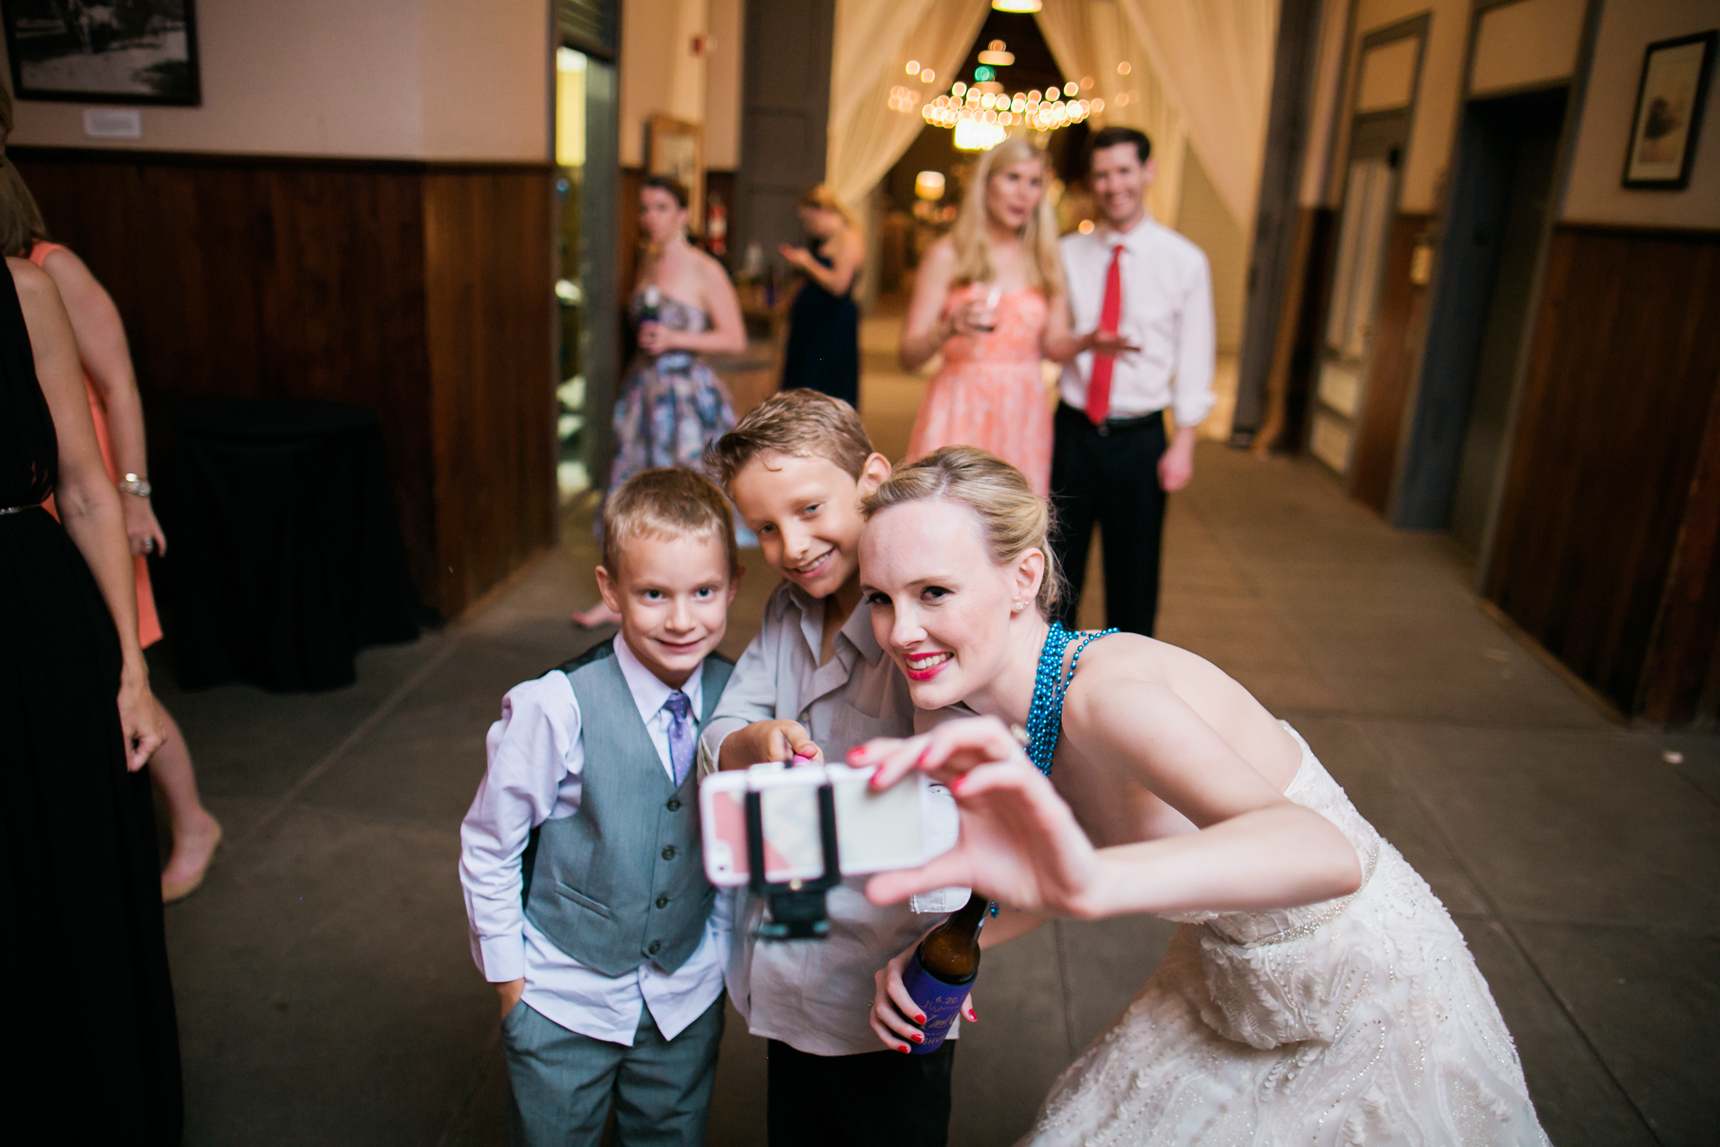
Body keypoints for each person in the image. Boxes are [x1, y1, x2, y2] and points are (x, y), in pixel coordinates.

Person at [850, 447, 1551, 1145]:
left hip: (1374, 1001)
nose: (900, 630)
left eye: (933, 592)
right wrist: (940, 951)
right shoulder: (976, 710)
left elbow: (1327, 853)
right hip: (1231, 982)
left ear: (1024, 575)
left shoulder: (1103, 697)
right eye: (880, 598)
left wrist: (1092, 880)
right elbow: (1045, 884)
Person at [699, 389, 967, 1147]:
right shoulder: (788, 610)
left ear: (872, 480)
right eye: (765, 528)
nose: (793, 545)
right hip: (787, 962)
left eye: (811, 508)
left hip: (887, 985)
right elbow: (723, 733)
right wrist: (750, 745)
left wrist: (773, 818)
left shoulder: (919, 634)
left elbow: (955, 824)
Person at [461, 467, 742, 1146]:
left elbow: (738, 846)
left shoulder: (741, 700)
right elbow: (490, 843)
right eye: (653, 593)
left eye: (704, 591)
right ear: (609, 590)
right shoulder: (556, 705)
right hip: (564, 997)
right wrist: (510, 984)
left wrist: (722, 956)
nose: (682, 618)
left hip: (684, 999)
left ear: (733, 586)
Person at [1, 201, 183, 1137]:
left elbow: (83, 483)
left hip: (30, 622)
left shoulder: (29, 288)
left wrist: (130, 670)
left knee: (57, 878)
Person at [0, 163, 224, 902]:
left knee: (127, 676)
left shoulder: (46, 269)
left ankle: (191, 821)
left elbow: (119, 382)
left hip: (77, 485)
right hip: (45, 495)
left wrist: (132, 492)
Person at [1051, 126, 1215, 637]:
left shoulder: (1184, 261)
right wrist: (1084, 341)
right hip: (1073, 431)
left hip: (1140, 438)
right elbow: (1050, 339)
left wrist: (1183, 441)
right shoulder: (1066, 253)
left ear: (1149, 172)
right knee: (1057, 575)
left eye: (1123, 170)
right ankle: (1048, 699)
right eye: (1101, 174)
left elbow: (1195, 355)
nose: (1113, 185)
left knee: (1135, 580)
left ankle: (1125, 699)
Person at [572, 175, 747, 629]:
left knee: (691, 498)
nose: (651, 217)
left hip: (686, 395)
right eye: (645, 208)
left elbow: (734, 338)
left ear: (684, 214)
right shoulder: (646, 261)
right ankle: (622, 596)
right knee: (629, 492)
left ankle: (702, 591)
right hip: (643, 392)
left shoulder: (704, 268)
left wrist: (675, 338)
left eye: (662, 208)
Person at [899, 136, 1086, 498]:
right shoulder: (947, 255)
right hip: (958, 404)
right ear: (986, 183)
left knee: (1011, 530)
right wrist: (947, 329)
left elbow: (1055, 345)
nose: (1023, 194)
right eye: (1012, 178)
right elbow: (908, 357)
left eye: (1035, 183)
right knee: (945, 515)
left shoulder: (1046, 259)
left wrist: (1087, 341)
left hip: (1023, 409)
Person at [779, 184, 863, 406]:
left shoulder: (849, 237)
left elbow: (839, 285)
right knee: (803, 385)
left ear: (825, 211)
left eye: (810, 220)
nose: (808, 227)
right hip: (813, 324)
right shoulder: (824, 240)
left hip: (831, 324)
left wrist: (807, 263)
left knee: (824, 385)